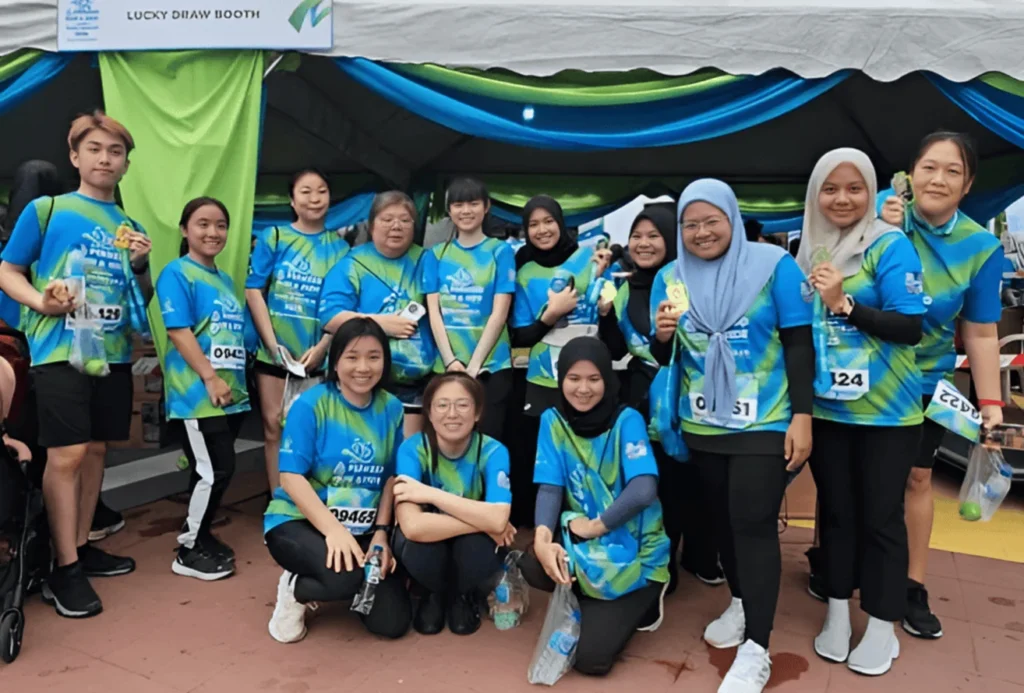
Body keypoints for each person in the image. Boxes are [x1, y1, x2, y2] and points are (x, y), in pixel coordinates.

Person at [650, 179, 813, 693]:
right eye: (690, 224)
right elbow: (665, 355)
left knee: (752, 524)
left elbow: (799, 344)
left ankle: (757, 649)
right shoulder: (672, 277)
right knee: (720, 524)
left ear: (732, 219)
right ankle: (742, 602)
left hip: (765, 421)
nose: (701, 233)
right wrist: (662, 337)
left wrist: (803, 417)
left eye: (711, 221)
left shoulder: (774, 267)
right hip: (703, 423)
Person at [0, 111, 152, 618]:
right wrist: (41, 303)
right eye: (95, 149)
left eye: (115, 152)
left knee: (97, 451)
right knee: (66, 455)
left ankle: (81, 546)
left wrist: (139, 266)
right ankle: (61, 568)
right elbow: (8, 270)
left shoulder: (129, 227)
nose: (105, 159)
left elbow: (139, 300)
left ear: (126, 163)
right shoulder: (47, 210)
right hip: (60, 350)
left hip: (112, 353)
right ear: (74, 156)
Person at [796, 149, 926, 676]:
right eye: (830, 188)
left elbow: (910, 327)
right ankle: (835, 611)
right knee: (836, 514)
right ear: (815, 195)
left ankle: (881, 623)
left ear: (872, 192)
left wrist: (844, 304)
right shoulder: (808, 249)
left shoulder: (889, 245)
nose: (842, 199)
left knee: (880, 518)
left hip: (887, 415)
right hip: (828, 411)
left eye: (854, 188)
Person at [880, 132, 1004, 641]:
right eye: (929, 167)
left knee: (917, 478)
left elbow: (981, 330)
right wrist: (875, 232)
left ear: (968, 184)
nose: (939, 179)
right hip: (864, 372)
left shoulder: (982, 246)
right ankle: (834, 565)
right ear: (911, 174)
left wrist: (991, 403)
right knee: (848, 475)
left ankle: (913, 586)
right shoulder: (883, 215)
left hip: (926, 378)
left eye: (953, 171)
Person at [521, 337, 670, 676]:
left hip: (634, 550)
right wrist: (542, 541)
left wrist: (594, 527)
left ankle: (647, 597)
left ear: (608, 378)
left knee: (591, 660)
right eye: (573, 378)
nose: (583, 389)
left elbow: (644, 490)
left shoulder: (627, 419)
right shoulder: (553, 420)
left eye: (594, 379)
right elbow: (550, 488)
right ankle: (592, 588)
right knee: (532, 563)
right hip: (586, 545)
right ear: (561, 379)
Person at [597, 203, 721, 591]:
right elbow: (615, 350)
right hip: (643, 397)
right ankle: (660, 559)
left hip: (691, 393)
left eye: (653, 235)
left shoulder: (690, 282)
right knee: (656, 481)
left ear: (671, 239)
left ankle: (701, 553)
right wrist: (605, 314)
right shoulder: (622, 289)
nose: (643, 243)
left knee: (697, 479)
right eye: (636, 236)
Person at [264, 318, 411, 643]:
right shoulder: (311, 404)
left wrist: (381, 534)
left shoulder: (391, 408)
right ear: (335, 361)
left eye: (373, 357)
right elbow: (290, 477)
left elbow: (390, 478)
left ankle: (344, 578)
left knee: (392, 623)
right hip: (300, 521)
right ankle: (295, 589)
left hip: (363, 529)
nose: (363, 367)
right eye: (352, 357)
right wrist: (333, 530)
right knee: (344, 578)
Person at [156, 197, 250, 580]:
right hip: (196, 395)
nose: (213, 232)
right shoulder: (177, 273)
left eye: (221, 225)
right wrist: (209, 377)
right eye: (203, 224)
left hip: (229, 395)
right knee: (215, 469)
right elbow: (178, 331)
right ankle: (189, 549)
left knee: (214, 470)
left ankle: (202, 533)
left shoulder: (224, 280)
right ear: (185, 230)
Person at [245, 169, 350, 491]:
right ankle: (278, 501)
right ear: (292, 200)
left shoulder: (341, 249)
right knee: (273, 427)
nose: (314, 198)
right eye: (306, 191)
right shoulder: (274, 237)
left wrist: (323, 347)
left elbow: (343, 305)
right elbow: (253, 290)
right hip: (275, 354)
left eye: (321, 191)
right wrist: (272, 344)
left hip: (317, 356)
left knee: (312, 430)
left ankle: (307, 501)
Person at [509, 195, 611, 524]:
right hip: (542, 381)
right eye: (533, 224)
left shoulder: (589, 260)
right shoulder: (524, 272)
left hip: (587, 380)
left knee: (585, 456)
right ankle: (539, 529)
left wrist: (606, 299)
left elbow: (609, 312)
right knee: (541, 459)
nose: (542, 230)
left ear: (561, 223)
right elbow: (519, 335)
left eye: (548, 221)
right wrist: (551, 315)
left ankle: (585, 525)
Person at [392, 372, 516, 635]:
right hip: (428, 539)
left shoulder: (493, 451)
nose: (452, 414)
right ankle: (432, 593)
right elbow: (412, 525)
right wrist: (484, 521)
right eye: (442, 405)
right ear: (429, 412)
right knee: (417, 546)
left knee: (477, 549)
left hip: (467, 542)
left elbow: (498, 520)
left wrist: (429, 494)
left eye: (462, 405)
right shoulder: (412, 449)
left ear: (477, 412)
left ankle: (463, 593)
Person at [319, 191, 438, 437]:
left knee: (406, 451)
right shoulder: (352, 264)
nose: (396, 226)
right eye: (387, 219)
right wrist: (381, 324)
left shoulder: (428, 260)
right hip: (362, 378)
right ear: (372, 225)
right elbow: (330, 318)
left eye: (404, 220)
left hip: (416, 383)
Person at [424, 178, 516, 440]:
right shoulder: (435, 255)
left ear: (486, 207)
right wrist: (451, 361)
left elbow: (499, 313)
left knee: (488, 444)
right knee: (447, 442)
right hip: (447, 367)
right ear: (449, 210)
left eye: (473, 203)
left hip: (491, 368)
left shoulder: (501, 252)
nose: (466, 211)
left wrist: (474, 367)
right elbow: (434, 313)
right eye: (458, 204)